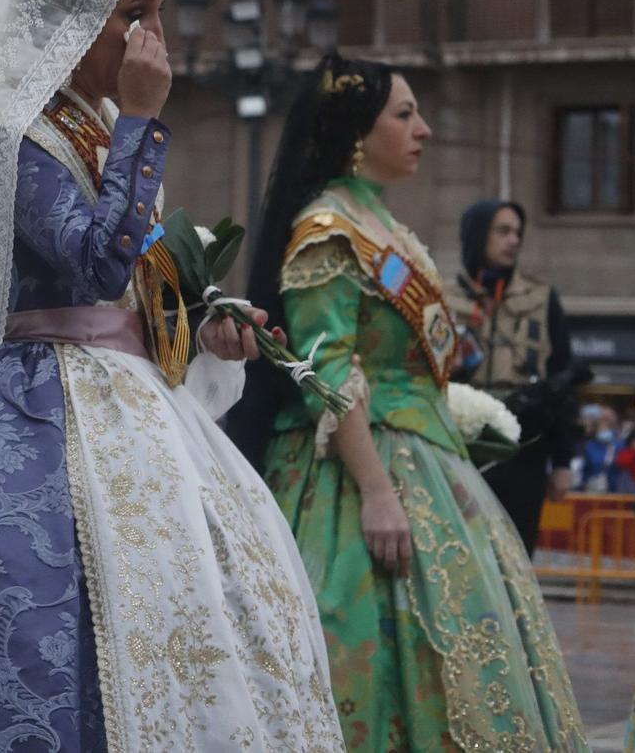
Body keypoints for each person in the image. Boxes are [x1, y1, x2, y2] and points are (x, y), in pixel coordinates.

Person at [0, 0, 341, 752]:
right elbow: (94, 261)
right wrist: (146, 125)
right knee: (42, 611)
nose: (152, 37)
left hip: (122, 391)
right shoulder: (8, 124)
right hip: (27, 402)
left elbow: (133, 285)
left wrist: (205, 316)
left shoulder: (95, 121)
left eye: (155, 12)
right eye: (134, 14)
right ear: (71, 15)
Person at [232, 54, 585, 751]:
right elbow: (326, 364)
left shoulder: (380, 221)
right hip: (358, 472)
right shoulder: (330, 227)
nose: (424, 128)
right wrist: (377, 492)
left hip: (423, 457)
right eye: (405, 114)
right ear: (358, 131)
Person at [443, 198, 579, 552]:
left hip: (524, 446)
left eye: (518, 232)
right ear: (477, 235)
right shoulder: (444, 295)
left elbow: (563, 377)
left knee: (517, 554)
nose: (514, 240)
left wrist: (562, 461)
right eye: (503, 231)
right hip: (459, 446)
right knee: (462, 552)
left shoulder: (541, 297)